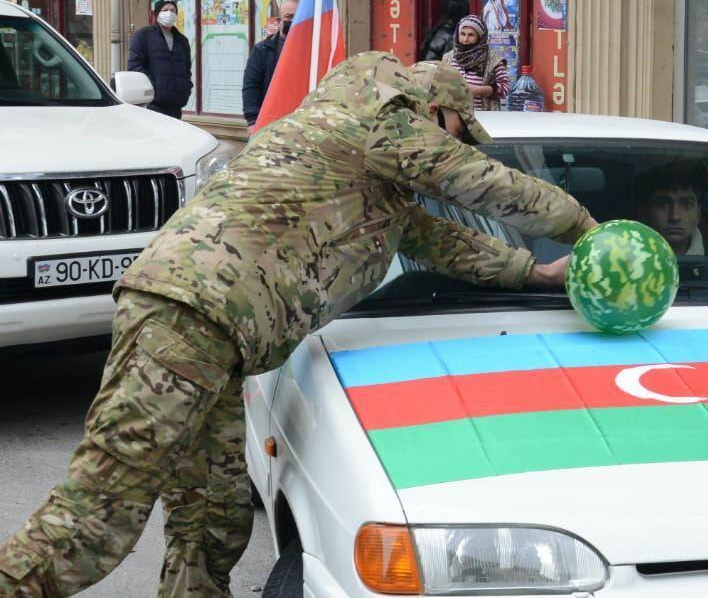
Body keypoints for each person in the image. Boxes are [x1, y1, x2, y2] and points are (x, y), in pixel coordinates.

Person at [0, 52, 597, 597]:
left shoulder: (363, 180)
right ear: (435, 111)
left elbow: (444, 241)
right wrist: (583, 227)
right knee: (95, 522)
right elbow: (473, 181)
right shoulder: (377, 108)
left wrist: (538, 272)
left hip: (215, 335)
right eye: (460, 136)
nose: (458, 151)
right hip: (184, 314)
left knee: (211, 515)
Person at [127, 0, 192, 119]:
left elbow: (187, 69)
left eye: (173, 10)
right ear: (157, 13)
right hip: (153, 105)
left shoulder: (182, 41)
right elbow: (135, 67)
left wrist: (186, 88)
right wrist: (154, 88)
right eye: (165, 10)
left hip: (176, 105)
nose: (169, 13)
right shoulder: (143, 36)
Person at [241, 0, 298, 127]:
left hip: (299, 123)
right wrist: (252, 121)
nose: (293, 21)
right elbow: (251, 86)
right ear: (278, 21)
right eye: (289, 17)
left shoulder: (310, 50)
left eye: (298, 17)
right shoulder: (262, 50)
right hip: (269, 123)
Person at [634, 163, 705, 256]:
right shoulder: (625, 258)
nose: (675, 216)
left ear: (698, 215)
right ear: (643, 212)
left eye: (687, 205)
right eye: (663, 205)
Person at [443, 13, 510, 111]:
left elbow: (505, 87)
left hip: (483, 118)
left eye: (471, 35)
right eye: (462, 34)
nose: (465, 39)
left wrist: (481, 90)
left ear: (480, 37)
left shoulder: (493, 59)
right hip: (453, 115)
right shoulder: (448, 58)